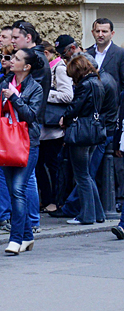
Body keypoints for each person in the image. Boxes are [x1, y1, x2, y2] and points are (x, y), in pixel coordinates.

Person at [0, 48, 44, 254]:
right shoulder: (4, 82)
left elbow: (32, 116)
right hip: (6, 142)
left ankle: (15, 239)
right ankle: (27, 236)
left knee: (18, 190)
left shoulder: (35, 88)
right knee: (13, 192)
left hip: (28, 143)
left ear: (26, 66)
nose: (11, 61)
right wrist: (0, 123)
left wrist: (15, 98)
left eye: (17, 59)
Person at [59, 55, 106, 225]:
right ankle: (98, 214)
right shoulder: (97, 82)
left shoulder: (85, 85)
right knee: (87, 175)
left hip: (81, 132)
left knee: (82, 175)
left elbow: (75, 107)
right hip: (93, 131)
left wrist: (64, 117)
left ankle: (87, 216)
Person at [37, 40, 72, 214]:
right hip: (45, 128)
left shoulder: (59, 68)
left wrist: (45, 93)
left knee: (52, 165)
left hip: (53, 128)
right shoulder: (47, 69)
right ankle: (48, 199)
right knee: (40, 165)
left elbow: (67, 95)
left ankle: (54, 201)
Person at [87, 18, 124, 92]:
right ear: (92, 32)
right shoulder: (87, 54)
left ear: (112, 33)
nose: (100, 35)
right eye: (97, 31)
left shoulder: (120, 54)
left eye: (104, 31)